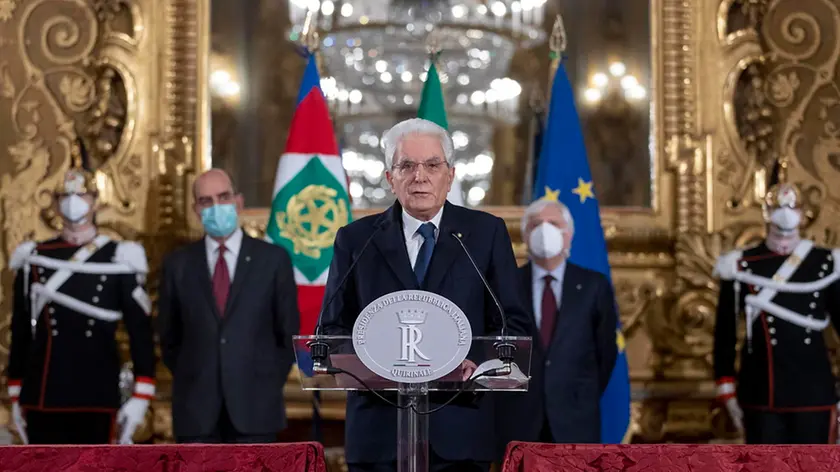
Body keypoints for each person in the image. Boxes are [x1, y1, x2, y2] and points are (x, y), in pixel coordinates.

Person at [321, 118, 531, 472]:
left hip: (460, 432)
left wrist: (474, 361)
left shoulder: (485, 234)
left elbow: (514, 324)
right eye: (406, 165)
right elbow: (331, 332)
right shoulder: (356, 240)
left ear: (449, 175)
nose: (420, 176)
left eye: (432, 165)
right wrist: (377, 360)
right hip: (379, 432)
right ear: (390, 178)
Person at [5, 151, 156, 445]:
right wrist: (15, 395)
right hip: (44, 394)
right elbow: (21, 332)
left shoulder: (121, 256)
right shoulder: (34, 257)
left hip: (97, 392)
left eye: (82, 195)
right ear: (57, 203)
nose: (74, 203)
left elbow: (141, 333)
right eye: (66, 196)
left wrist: (141, 394)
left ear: (96, 201)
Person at [157, 168, 300, 444]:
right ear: (195, 209)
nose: (216, 207)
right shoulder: (178, 264)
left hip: (256, 411)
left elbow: (287, 334)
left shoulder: (272, 260)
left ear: (239, 202)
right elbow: (168, 338)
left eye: (223, 197)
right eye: (206, 201)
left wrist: (265, 381)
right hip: (196, 414)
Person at [713, 168, 840, 444]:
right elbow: (724, 333)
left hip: (813, 393)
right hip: (761, 392)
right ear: (767, 212)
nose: (785, 213)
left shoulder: (826, 263)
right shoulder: (740, 264)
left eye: (792, 206)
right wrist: (725, 384)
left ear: (804, 213)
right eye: (779, 207)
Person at [495, 198, 618, 454]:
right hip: (521, 419)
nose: (545, 230)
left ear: (569, 234)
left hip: (576, 418)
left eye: (553, 223)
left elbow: (605, 354)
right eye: (537, 224)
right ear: (525, 235)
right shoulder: (507, 284)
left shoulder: (594, 286)